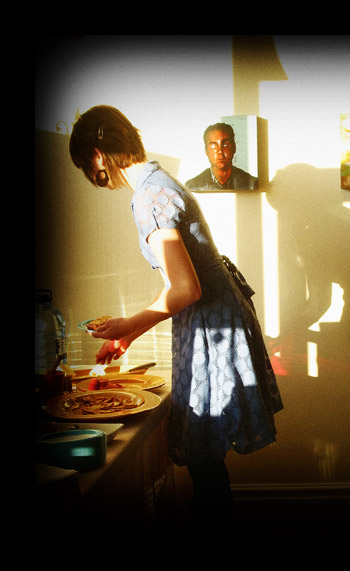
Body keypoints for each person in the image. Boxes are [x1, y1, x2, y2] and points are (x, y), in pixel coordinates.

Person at [69, 105, 283, 516]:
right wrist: (130, 333)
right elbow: (182, 281)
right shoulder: (161, 183)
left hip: (213, 327)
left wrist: (130, 322)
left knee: (203, 453)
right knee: (205, 455)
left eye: (86, 164)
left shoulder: (150, 196)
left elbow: (185, 288)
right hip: (215, 321)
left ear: (96, 155)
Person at [185, 123, 258, 191]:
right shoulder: (193, 185)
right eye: (213, 146)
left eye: (225, 145)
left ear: (234, 148)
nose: (220, 151)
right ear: (206, 151)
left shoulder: (252, 184)